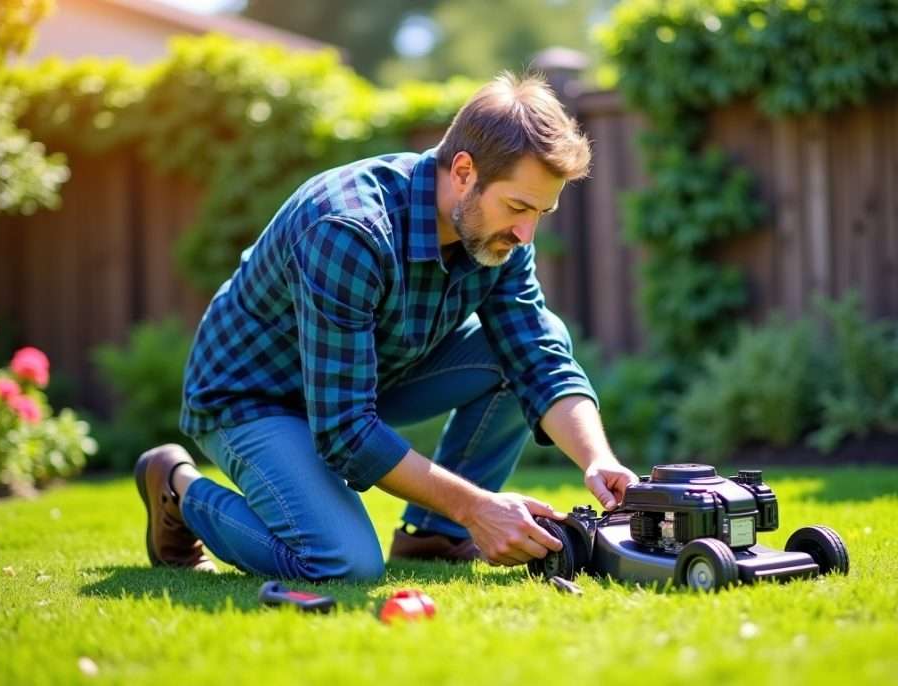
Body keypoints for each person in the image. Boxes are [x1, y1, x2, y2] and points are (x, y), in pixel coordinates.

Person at [134, 71, 638, 580]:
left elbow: (536, 355)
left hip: (360, 382)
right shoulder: (347, 229)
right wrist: (475, 505)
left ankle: (434, 537)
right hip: (251, 397)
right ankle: (177, 488)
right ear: (464, 172)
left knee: (532, 340)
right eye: (518, 207)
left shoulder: (498, 237)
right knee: (343, 563)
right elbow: (346, 431)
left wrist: (596, 459)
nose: (527, 233)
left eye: (541, 212)